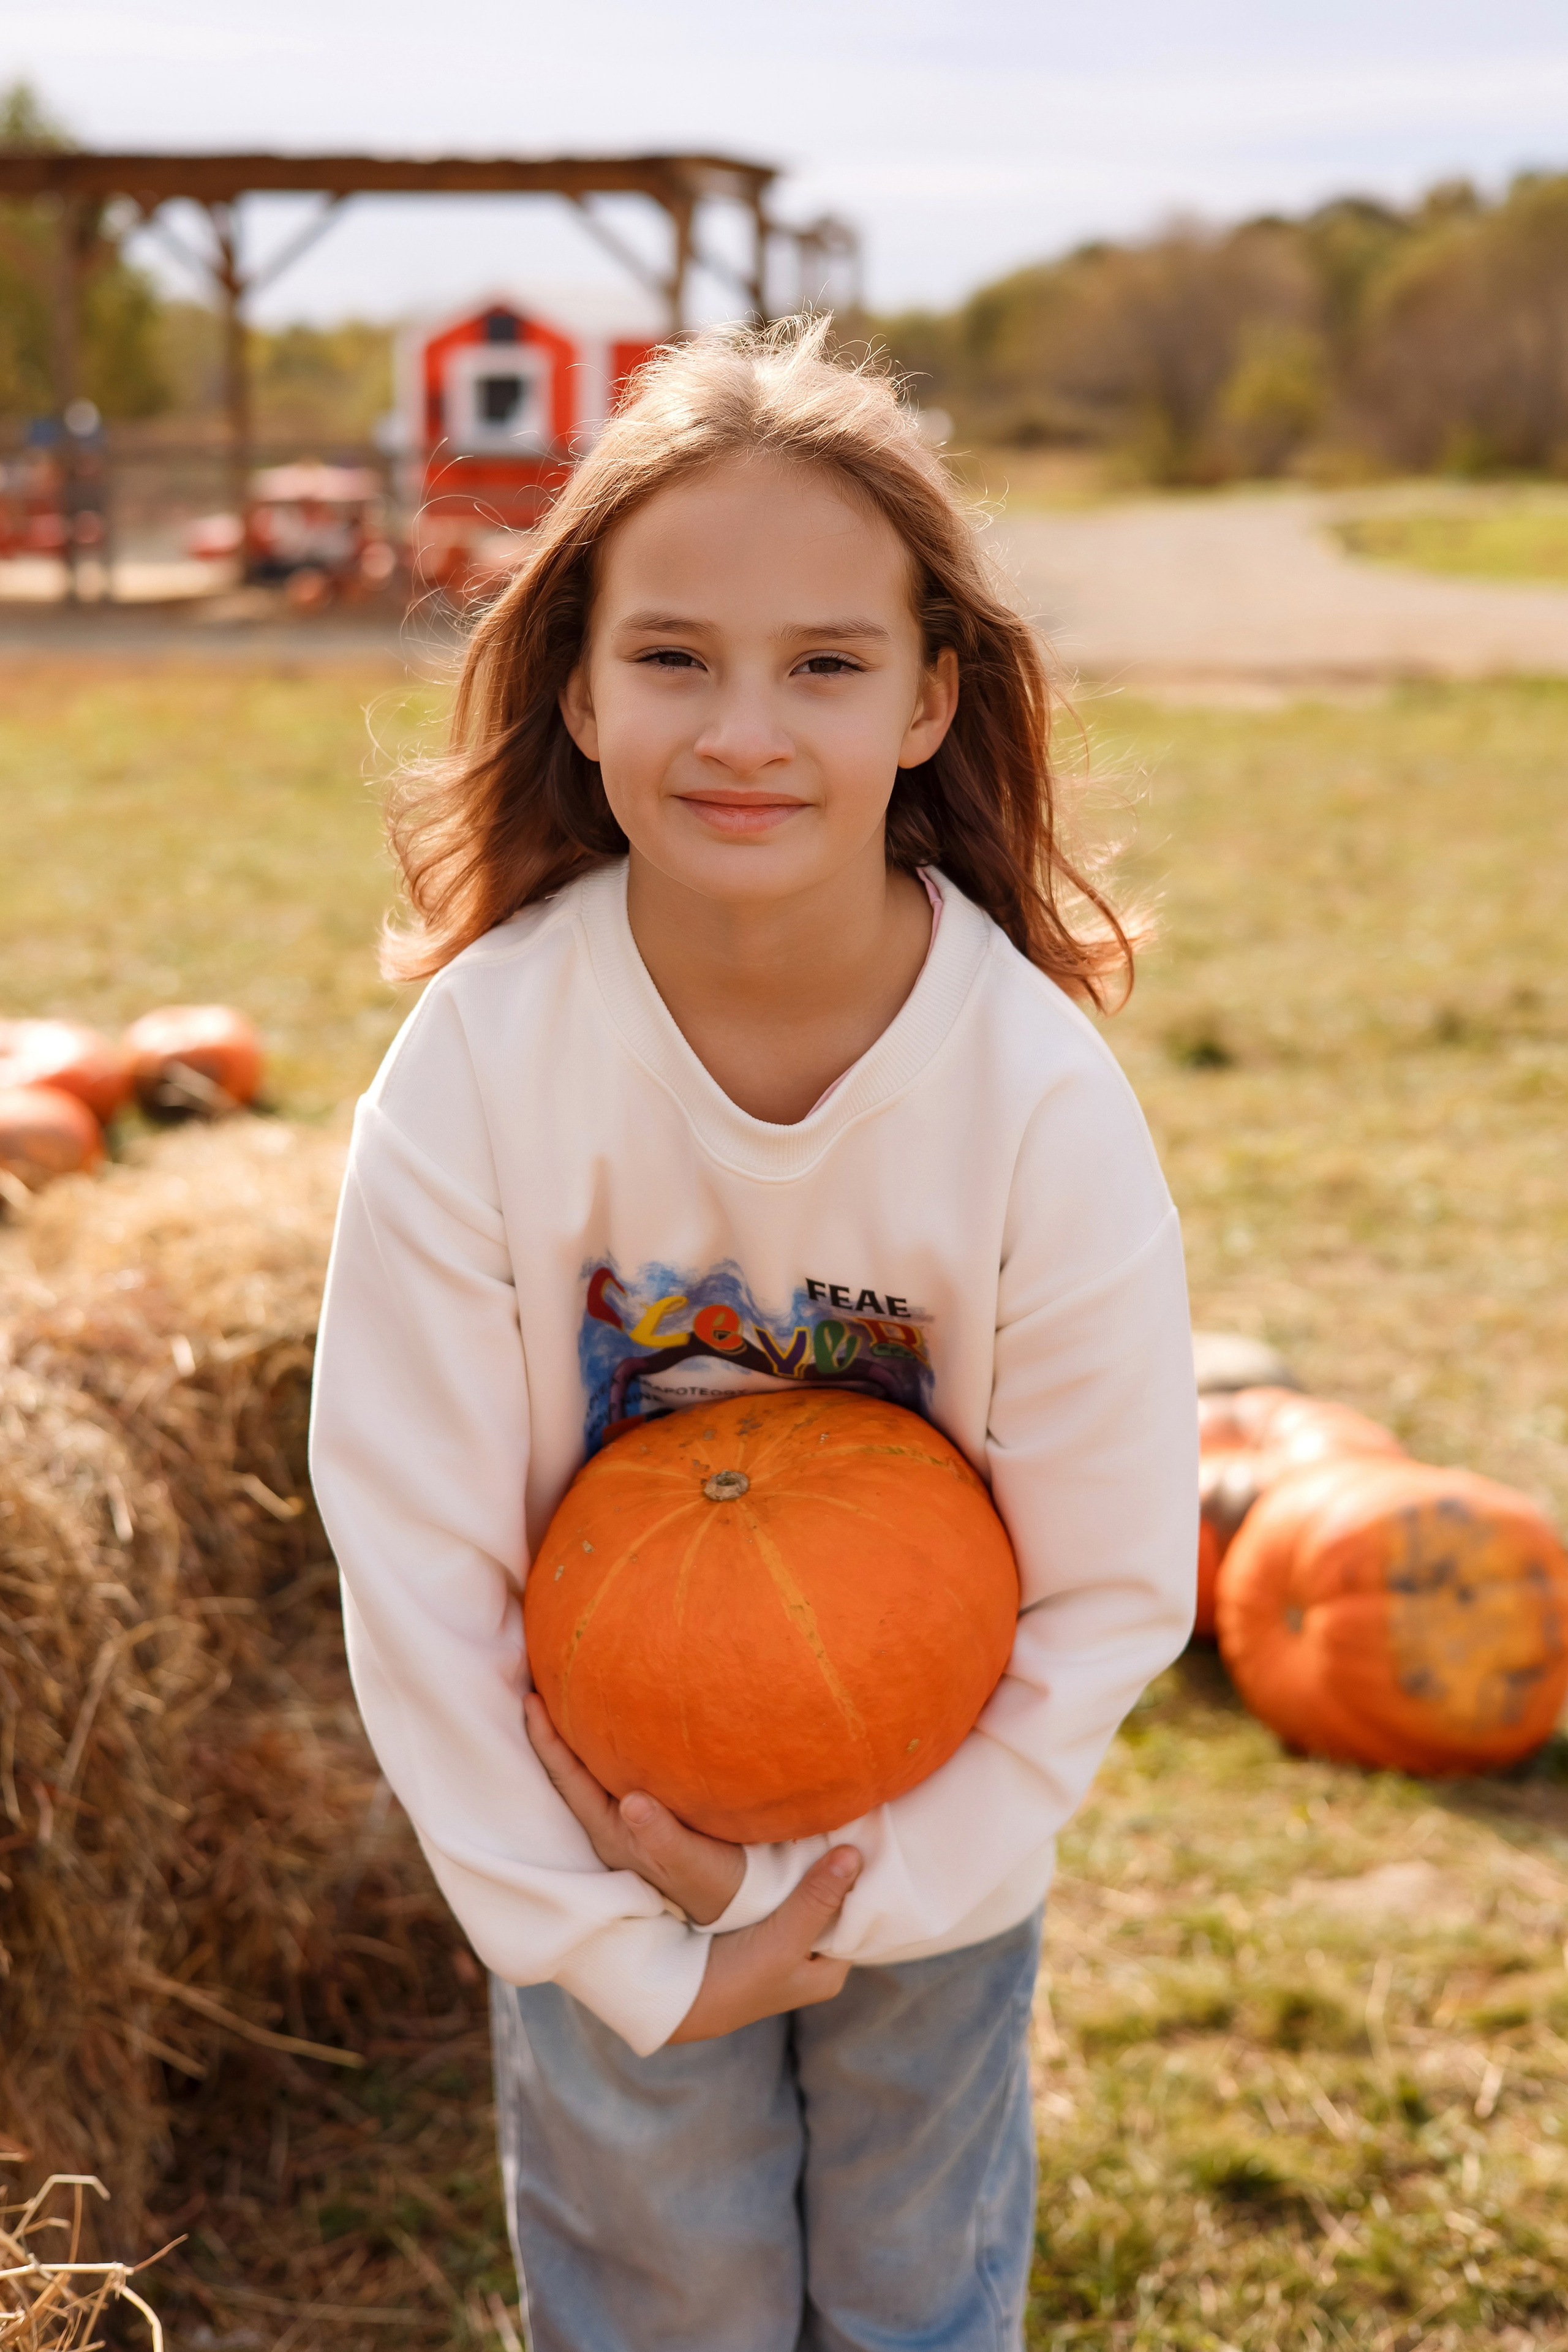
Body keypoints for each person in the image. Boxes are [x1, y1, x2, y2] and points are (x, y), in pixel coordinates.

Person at [309, 317, 1197, 2351]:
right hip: (593, 1822)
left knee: (908, 2284)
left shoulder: (1028, 1097)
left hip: (933, 1816)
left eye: (825, 664)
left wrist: (855, 1893)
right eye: (676, 656)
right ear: (581, 687)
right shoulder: (481, 1068)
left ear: (928, 697)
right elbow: (413, 1540)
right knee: (666, 2291)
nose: (745, 729)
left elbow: (1118, 1573)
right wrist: (609, 1939)